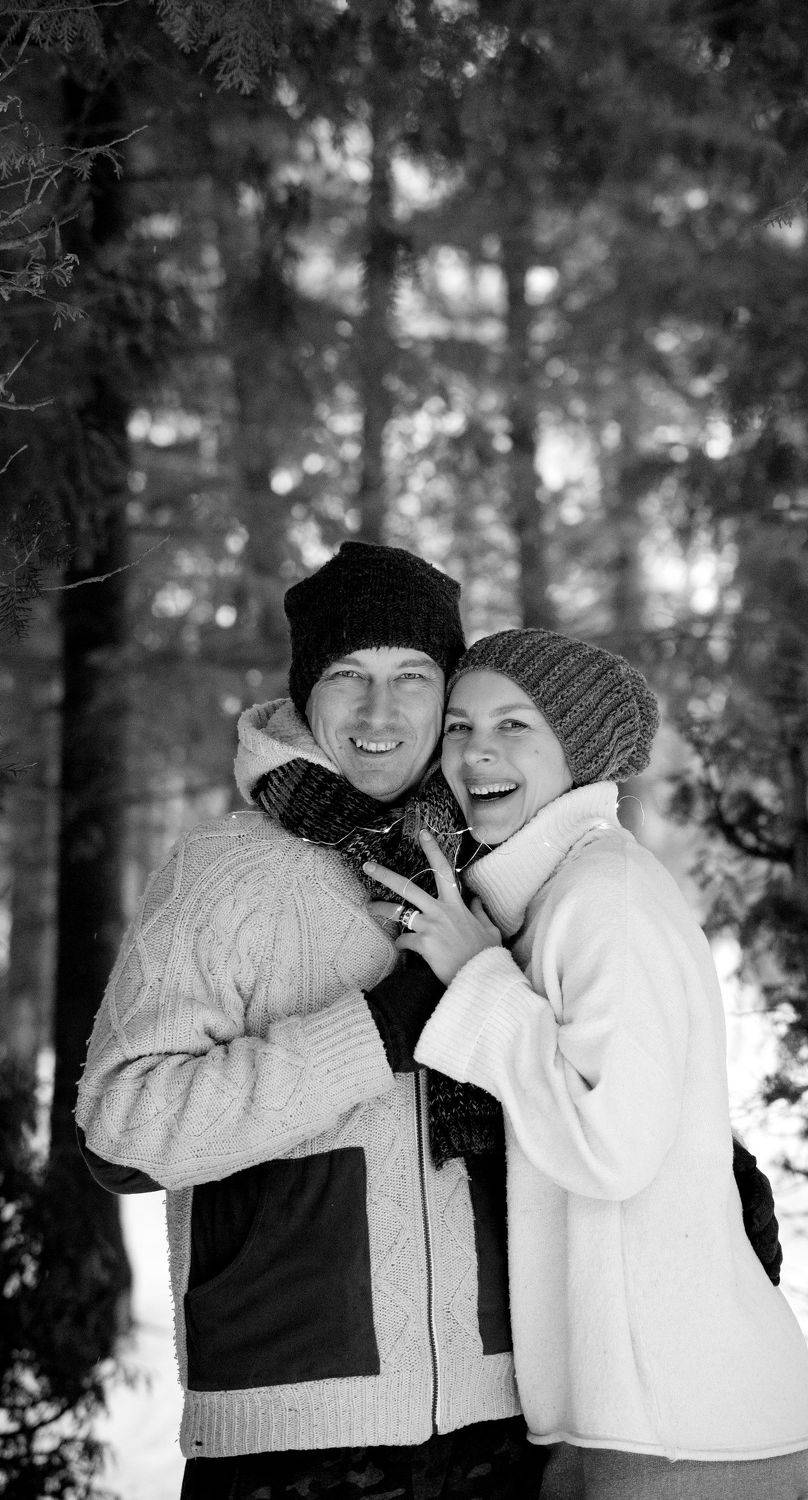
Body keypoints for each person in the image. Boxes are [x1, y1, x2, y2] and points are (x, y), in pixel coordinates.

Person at [75, 542, 539, 1500]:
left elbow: (576, 1066)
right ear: (303, 690)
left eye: (412, 676)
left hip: (506, 1417)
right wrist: (376, 1032)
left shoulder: (500, 863)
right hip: (290, 1434)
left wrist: (706, 1171)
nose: (380, 713)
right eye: (347, 675)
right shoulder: (224, 874)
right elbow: (120, 1133)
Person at [364, 627, 808, 1500]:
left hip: (684, 1427)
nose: (476, 751)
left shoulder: (604, 899)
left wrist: (477, 978)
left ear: (576, 750)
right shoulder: (557, 899)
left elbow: (611, 1148)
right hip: (631, 1418)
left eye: (514, 725)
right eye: (459, 726)